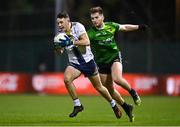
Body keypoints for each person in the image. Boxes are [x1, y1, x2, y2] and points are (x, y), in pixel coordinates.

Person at [54, 11, 122, 119]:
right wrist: (57, 48)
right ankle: (78, 105)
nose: (60, 25)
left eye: (61, 22)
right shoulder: (59, 35)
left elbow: (86, 42)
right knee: (67, 79)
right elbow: (59, 53)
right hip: (74, 63)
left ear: (68, 20)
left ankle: (113, 105)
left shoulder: (78, 27)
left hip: (88, 62)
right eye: (58, 23)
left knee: (99, 87)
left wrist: (71, 42)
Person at [88, 6, 146, 121]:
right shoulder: (90, 33)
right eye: (92, 18)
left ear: (102, 17)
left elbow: (124, 27)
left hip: (114, 58)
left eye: (96, 17)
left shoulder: (111, 26)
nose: (94, 20)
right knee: (110, 90)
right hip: (102, 63)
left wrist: (138, 27)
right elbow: (83, 41)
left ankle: (133, 93)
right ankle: (126, 107)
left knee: (117, 79)